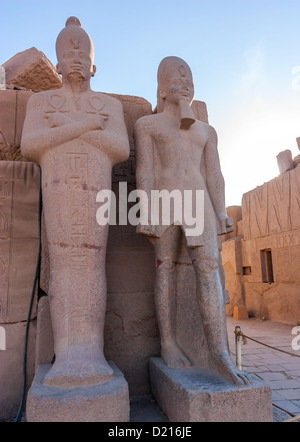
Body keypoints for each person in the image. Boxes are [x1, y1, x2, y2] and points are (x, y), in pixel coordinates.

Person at [21, 17, 130, 387]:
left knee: (92, 260)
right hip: (60, 186)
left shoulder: (109, 105)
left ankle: (91, 352)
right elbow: (31, 145)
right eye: (69, 50)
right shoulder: (41, 101)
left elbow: (120, 148)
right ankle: (68, 355)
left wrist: (64, 127)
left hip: (94, 185)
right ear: (57, 61)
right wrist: (84, 126)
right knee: (65, 261)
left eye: (83, 50)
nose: (76, 55)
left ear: (94, 62)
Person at [134, 56, 251, 386]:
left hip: (198, 201)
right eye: (175, 76)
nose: (183, 80)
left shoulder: (205, 131)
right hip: (166, 199)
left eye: (188, 77)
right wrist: (144, 209)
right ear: (160, 87)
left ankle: (218, 352)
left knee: (208, 270)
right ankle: (168, 342)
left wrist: (221, 212)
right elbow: (145, 169)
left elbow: (213, 174)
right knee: (165, 267)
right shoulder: (148, 125)